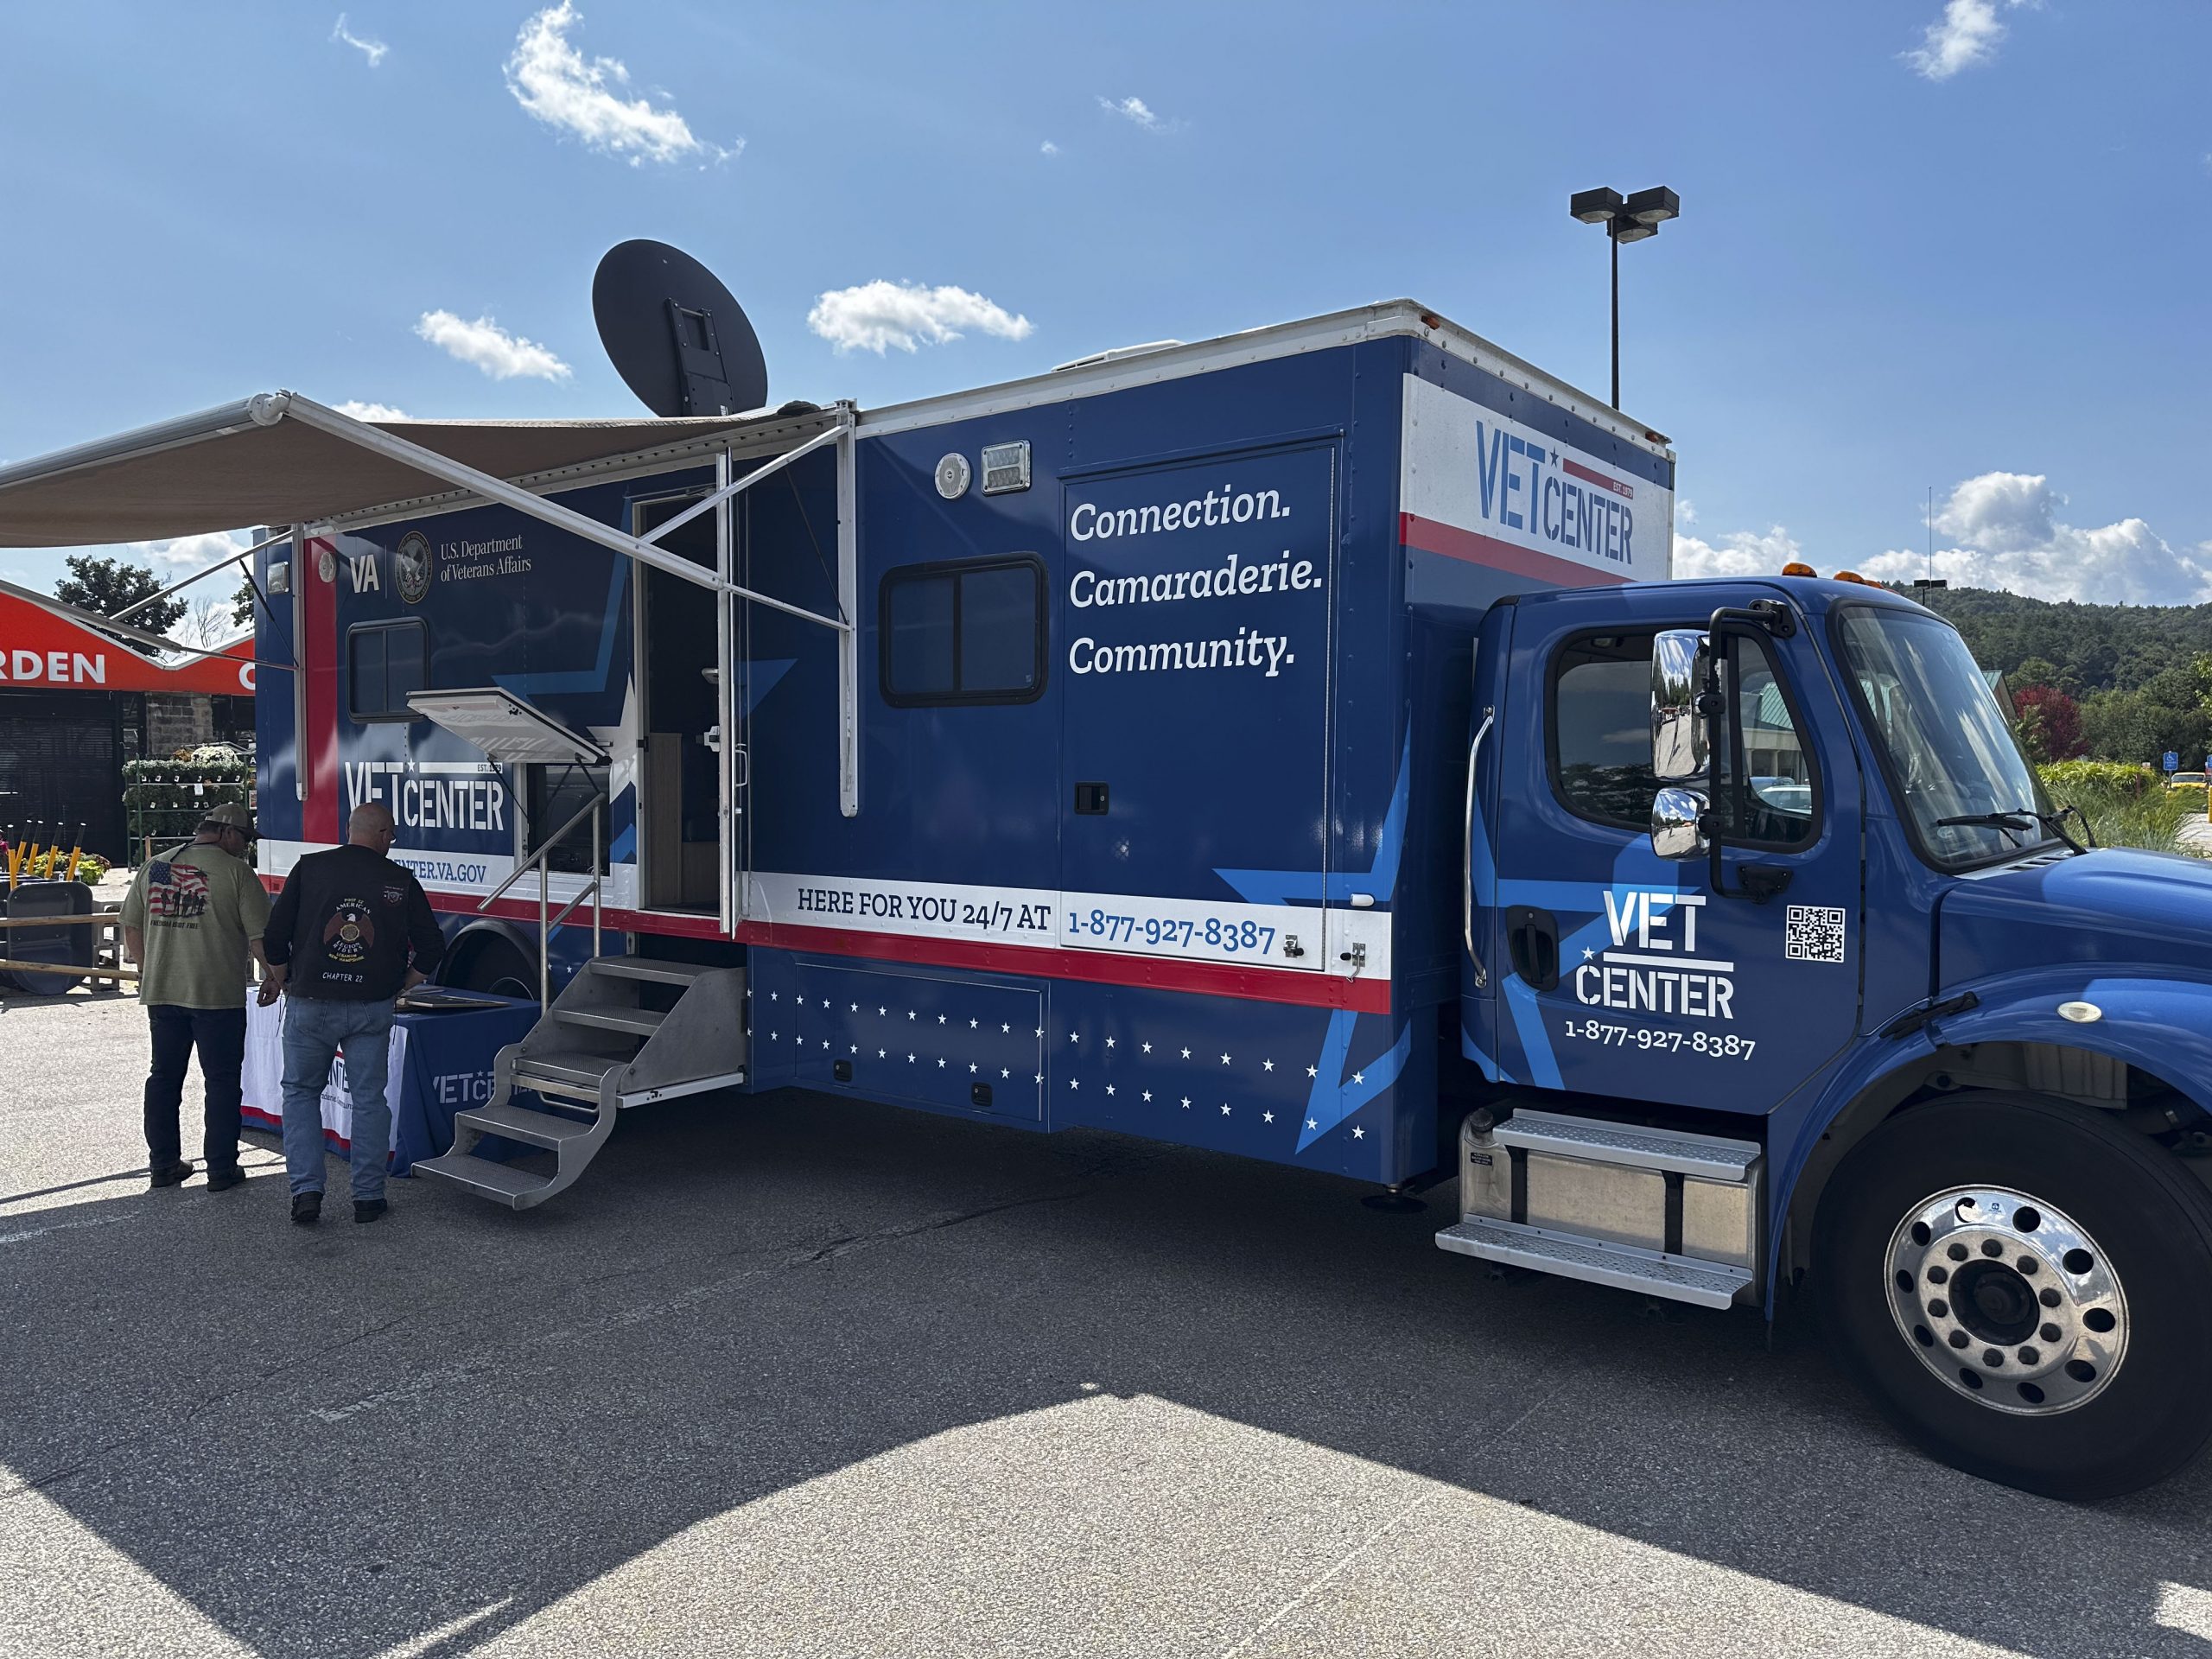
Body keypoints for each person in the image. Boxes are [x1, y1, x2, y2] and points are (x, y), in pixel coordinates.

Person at [261, 802, 445, 1225]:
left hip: (311, 1003)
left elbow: (275, 934)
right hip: (371, 1008)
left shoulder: (309, 869)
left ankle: (306, 1192)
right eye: (392, 834)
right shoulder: (399, 880)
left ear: (350, 829)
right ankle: (368, 1197)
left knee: (301, 1094)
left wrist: (285, 976)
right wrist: (403, 983)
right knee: (368, 1101)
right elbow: (433, 946)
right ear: (382, 835)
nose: (393, 841)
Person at [120, 802, 275, 1192]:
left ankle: (163, 1165)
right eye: (244, 838)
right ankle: (221, 1170)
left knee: (164, 1077)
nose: (245, 847)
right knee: (221, 1081)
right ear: (225, 832)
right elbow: (261, 939)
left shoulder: (157, 866)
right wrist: (276, 977)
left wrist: (148, 968)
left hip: (163, 992)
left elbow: (131, 927)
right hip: (216, 995)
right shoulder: (237, 872)